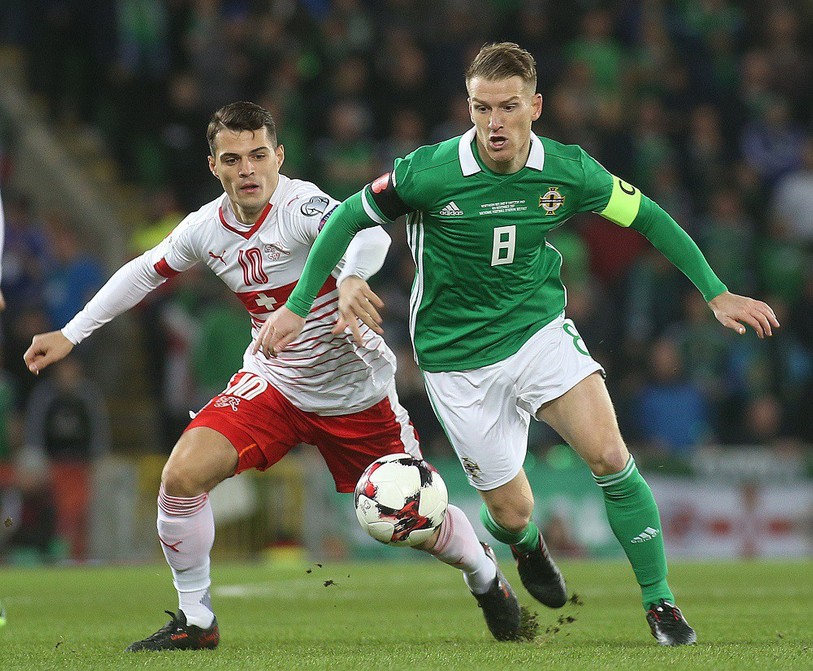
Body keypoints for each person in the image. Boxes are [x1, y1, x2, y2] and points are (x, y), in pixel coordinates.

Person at [259, 43, 781, 647]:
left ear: (535, 105)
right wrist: (302, 304)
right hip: (456, 362)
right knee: (510, 515)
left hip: (537, 332)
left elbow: (649, 218)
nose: (493, 123)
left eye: (507, 107)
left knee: (611, 456)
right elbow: (348, 215)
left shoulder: (570, 169)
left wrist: (715, 293)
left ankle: (661, 604)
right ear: (469, 107)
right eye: (481, 108)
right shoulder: (429, 171)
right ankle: (529, 548)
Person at [23, 102, 525, 650]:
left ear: (278, 157)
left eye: (259, 155)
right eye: (233, 159)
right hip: (275, 386)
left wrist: (353, 277)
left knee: (411, 519)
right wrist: (71, 333)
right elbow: (144, 271)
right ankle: (197, 621)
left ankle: (483, 575)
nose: (248, 170)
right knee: (181, 477)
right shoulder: (204, 228)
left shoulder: (301, 205)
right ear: (214, 165)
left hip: (355, 395)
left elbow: (370, 232)